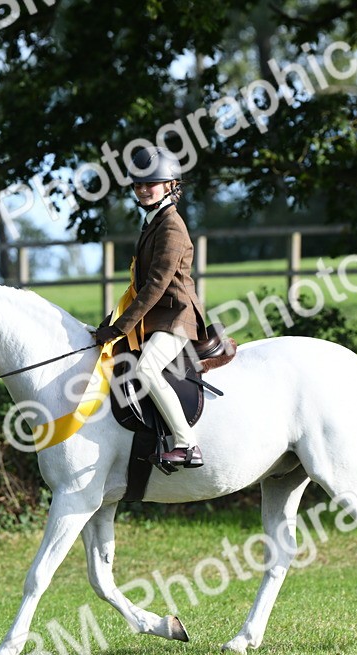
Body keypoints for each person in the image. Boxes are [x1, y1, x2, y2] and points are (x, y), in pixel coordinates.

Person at [94, 146, 207, 468]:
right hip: (157, 317)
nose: (143, 189)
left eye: (151, 183)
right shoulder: (153, 222)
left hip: (176, 317)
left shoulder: (171, 226)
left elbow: (156, 285)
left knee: (146, 369)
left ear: (171, 185)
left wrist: (119, 328)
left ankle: (187, 445)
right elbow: (138, 287)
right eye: (138, 184)